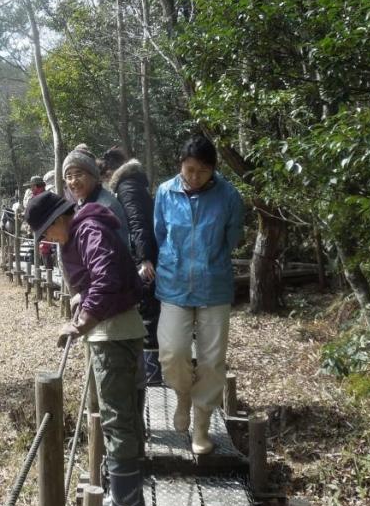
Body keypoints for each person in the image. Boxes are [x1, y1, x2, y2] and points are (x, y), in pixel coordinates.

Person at [25, 191, 147, 506]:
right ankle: (127, 496)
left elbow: (107, 279)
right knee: (122, 415)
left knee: (117, 418)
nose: (47, 239)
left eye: (47, 231)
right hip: (114, 330)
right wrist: (82, 298)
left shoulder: (89, 230)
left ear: (58, 220)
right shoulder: (81, 232)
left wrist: (79, 323)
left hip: (114, 334)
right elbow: (98, 278)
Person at [153, 135, 244, 454]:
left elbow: (232, 237)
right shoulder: (165, 192)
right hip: (173, 284)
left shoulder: (229, 195)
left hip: (214, 285)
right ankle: (181, 395)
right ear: (180, 165)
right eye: (189, 170)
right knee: (173, 350)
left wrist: (209, 260)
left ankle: (202, 427)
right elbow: (160, 233)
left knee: (211, 359)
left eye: (202, 172)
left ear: (213, 170)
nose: (194, 178)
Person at [98, 147, 162, 385]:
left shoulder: (126, 188)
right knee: (151, 314)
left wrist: (144, 258)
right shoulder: (136, 183)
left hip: (146, 260)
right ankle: (153, 374)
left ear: (111, 171)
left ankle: (153, 378)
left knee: (148, 315)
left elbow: (137, 223)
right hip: (149, 256)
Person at [62, 144, 130, 248]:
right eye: (69, 176)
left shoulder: (104, 207)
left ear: (93, 175)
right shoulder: (83, 202)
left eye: (78, 175)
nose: (73, 181)